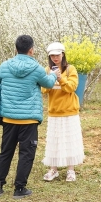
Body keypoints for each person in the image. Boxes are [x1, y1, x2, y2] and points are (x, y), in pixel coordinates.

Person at [0, 35, 59, 199]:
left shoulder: (5, 66)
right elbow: (49, 84)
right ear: (31, 50)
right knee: (26, 154)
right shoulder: (36, 68)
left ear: (16, 49)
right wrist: (55, 75)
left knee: (5, 152)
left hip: (9, 118)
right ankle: (19, 188)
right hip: (29, 119)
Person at [41, 42, 84, 182]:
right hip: (54, 111)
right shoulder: (47, 69)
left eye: (57, 55)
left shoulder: (71, 69)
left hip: (69, 111)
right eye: (52, 55)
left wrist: (60, 78)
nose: (55, 58)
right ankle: (53, 169)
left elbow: (71, 87)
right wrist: (51, 77)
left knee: (70, 140)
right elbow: (43, 89)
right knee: (54, 141)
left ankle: (70, 170)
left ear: (63, 54)